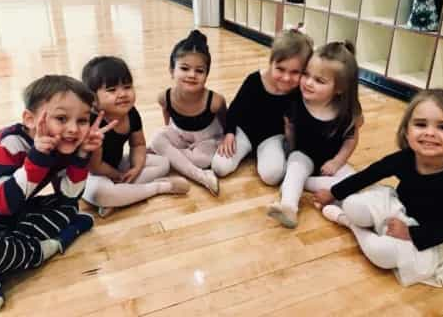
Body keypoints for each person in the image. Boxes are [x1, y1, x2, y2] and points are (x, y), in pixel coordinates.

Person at [0, 75, 115, 310]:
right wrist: (36, 158)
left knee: (69, 207)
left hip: (15, 210)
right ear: (29, 119)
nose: (74, 129)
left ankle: (2, 265)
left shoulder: (63, 143)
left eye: (83, 120)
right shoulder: (6, 144)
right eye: (61, 118)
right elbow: (1, 204)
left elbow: (68, 196)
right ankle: (57, 242)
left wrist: (82, 156)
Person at [315, 89, 443, 287]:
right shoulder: (405, 158)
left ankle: (349, 224)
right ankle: (361, 220)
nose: (430, 133)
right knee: (352, 204)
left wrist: (411, 234)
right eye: (421, 124)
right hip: (397, 209)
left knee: (382, 254)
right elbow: (370, 173)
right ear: (406, 131)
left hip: (427, 234)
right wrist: (334, 193)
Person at [267, 41, 363, 228]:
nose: (308, 83)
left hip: (331, 163)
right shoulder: (297, 101)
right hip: (303, 155)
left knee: (354, 182)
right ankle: (289, 207)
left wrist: (337, 161)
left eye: (319, 81)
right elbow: (290, 129)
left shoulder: (345, 112)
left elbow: (351, 138)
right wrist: (290, 148)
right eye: (306, 75)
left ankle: (303, 183)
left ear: (339, 89)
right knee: (296, 168)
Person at [81, 56, 190, 218]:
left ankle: (118, 197)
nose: (122, 94)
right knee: (97, 192)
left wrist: (136, 168)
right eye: (112, 90)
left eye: (127, 87)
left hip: (116, 165)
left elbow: (138, 145)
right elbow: (94, 167)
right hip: (90, 174)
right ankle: (160, 188)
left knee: (163, 163)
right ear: (93, 100)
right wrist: (116, 176)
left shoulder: (131, 113)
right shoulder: (91, 122)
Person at [211, 30, 313, 186]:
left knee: (273, 176)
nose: (286, 78)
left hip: (272, 138)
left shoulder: (300, 92)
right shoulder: (254, 81)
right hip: (244, 132)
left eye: (295, 72)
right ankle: (248, 152)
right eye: (280, 69)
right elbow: (234, 109)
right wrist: (230, 133)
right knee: (219, 167)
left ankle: (261, 154)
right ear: (271, 62)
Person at [150, 30, 227, 195]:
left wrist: (226, 137)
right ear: (172, 70)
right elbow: (167, 116)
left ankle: (169, 157)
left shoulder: (215, 101)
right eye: (184, 68)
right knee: (157, 137)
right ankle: (201, 176)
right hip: (181, 134)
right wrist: (170, 133)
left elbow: (225, 121)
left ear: (206, 75)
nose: (192, 75)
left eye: (199, 71)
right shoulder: (164, 97)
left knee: (202, 160)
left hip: (206, 140)